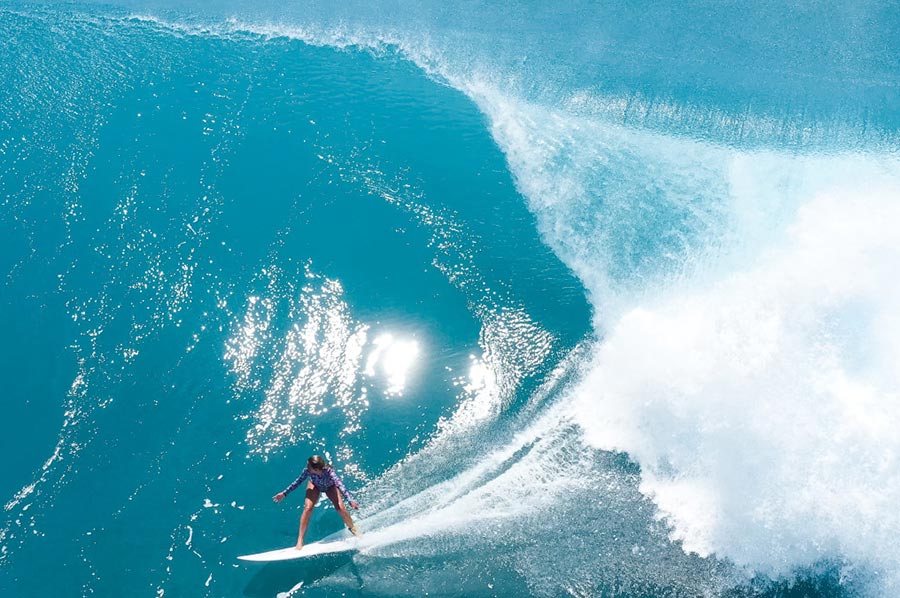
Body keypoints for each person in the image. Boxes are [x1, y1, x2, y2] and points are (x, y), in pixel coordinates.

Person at [273, 455, 360, 549]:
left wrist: (350, 500)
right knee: (308, 509)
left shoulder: (329, 472)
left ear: (316, 469)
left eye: (309, 466)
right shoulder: (307, 471)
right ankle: (300, 540)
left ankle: (352, 528)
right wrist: (284, 493)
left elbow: (340, 485)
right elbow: (298, 482)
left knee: (341, 508)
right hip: (315, 486)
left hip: (330, 487)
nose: (307, 467)